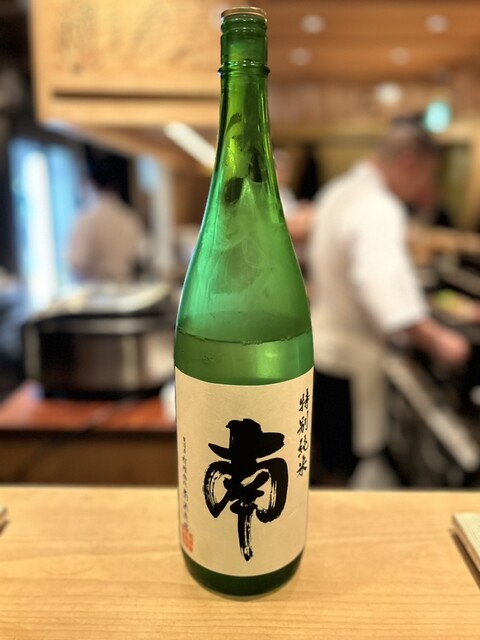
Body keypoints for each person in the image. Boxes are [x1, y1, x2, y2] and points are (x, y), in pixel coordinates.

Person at [307, 124, 470, 485]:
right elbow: (380, 286)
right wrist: (442, 342)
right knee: (340, 470)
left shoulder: (338, 190)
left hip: (322, 350)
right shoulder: (379, 207)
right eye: (426, 174)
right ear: (409, 162)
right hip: (348, 361)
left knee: (324, 462)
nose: (424, 186)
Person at [69, 150, 145, 283]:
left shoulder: (86, 218)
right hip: (125, 286)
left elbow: (77, 262)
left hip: (94, 291)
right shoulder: (130, 217)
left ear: (91, 182)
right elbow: (137, 256)